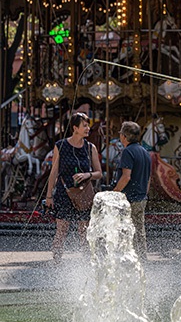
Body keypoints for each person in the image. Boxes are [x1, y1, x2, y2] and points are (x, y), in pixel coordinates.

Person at [45, 112, 102, 264]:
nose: (88, 128)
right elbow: (54, 172)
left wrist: (87, 175)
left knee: (85, 231)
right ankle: (56, 262)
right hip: (64, 193)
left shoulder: (91, 148)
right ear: (75, 128)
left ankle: (87, 263)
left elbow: (99, 173)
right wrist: (49, 195)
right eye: (84, 125)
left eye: (87, 125)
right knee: (62, 231)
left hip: (84, 194)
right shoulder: (61, 146)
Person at [113, 121, 151, 262]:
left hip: (129, 199)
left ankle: (125, 261)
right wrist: (144, 194)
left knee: (124, 232)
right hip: (141, 198)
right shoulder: (144, 152)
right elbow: (148, 178)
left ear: (124, 136)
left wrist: (114, 192)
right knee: (139, 232)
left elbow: (126, 177)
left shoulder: (128, 151)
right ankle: (141, 260)